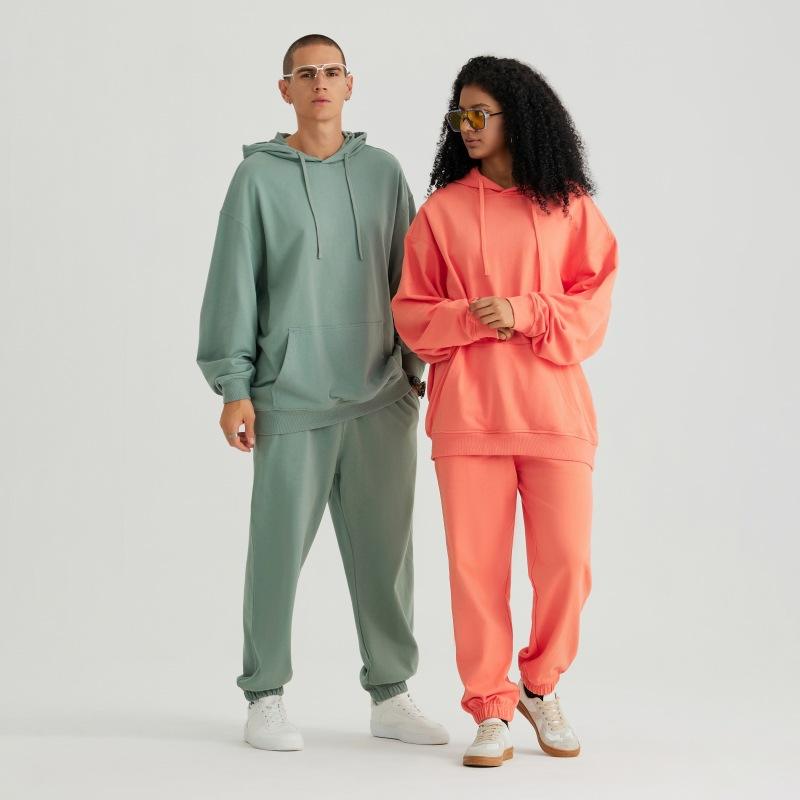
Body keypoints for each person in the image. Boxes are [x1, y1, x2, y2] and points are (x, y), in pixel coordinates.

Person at [197, 33, 447, 752]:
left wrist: (413, 369)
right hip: (289, 398)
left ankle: (391, 694)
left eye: (331, 72)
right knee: (275, 554)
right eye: (305, 74)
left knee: (388, 557)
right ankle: (265, 696)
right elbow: (233, 284)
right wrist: (234, 386)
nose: (320, 83)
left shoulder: (383, 172)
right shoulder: (256, 179)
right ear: (285, 90)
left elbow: (412, 277)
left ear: (350, 84)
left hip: (381, 395)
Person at [391, 55, 618, 768]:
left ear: (517, 117)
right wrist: (469, 317)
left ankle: (540, 685)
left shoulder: (569, 206)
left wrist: (526, 310)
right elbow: (412, 314)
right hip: (469, 418)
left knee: (568, 565)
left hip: (555, 413)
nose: (466, 126)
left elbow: (594, 306)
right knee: (476, 571)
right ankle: (489, 705)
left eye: (479, 113)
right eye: (458, 114)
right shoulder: (442, 212)